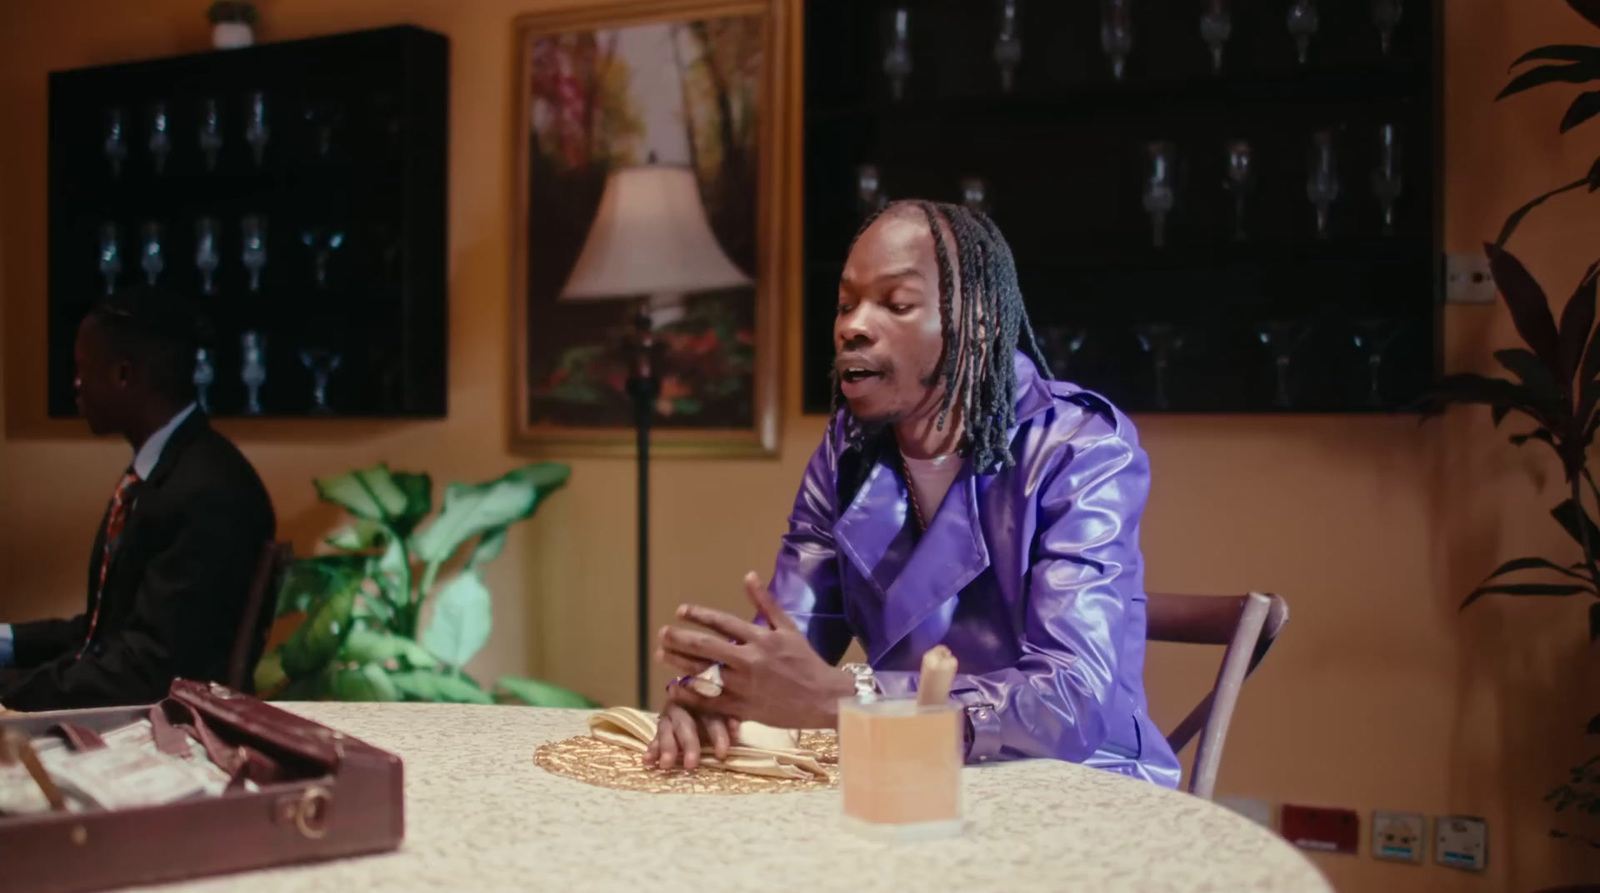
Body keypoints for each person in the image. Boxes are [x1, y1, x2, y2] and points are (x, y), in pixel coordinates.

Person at [647, 199, 1181, 788]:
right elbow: (791, 640)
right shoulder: (847, 452)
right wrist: (714, 691)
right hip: (913, 776)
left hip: (1081, 787)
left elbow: (1071, 701)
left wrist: (850, 698)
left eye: (896, 304)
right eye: (846, 303)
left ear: (980, 324)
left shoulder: (1081, 448)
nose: (853, 325)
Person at [0, 289, 276, 711]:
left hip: (157, 732)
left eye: (82, 369)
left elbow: (150, 669)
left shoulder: (208, 490)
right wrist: (6, 645)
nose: (76, 385)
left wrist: (12, 694)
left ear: (124, 375)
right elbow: (104, 634)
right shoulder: (167, 473)